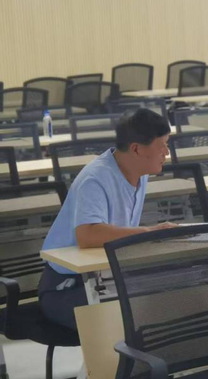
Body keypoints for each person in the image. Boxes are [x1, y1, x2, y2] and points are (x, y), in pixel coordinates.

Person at [40, 108, 174, 330]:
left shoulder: (139, 172)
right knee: (143, 314)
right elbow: (88, 235)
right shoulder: (95, 178)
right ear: (136, 149)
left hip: (106, 278)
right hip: (67, 288)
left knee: (171, 296)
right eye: (162, 146)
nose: (167, 153)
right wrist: (149, 233)